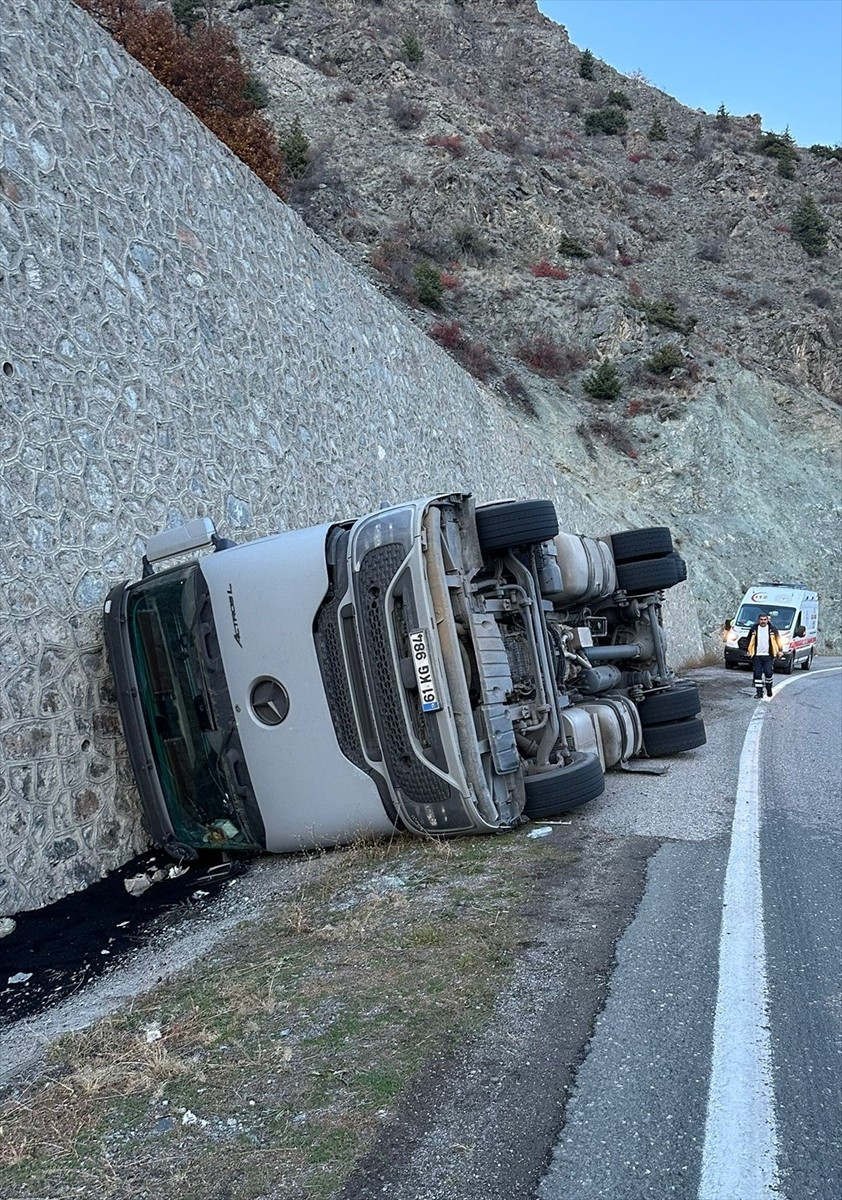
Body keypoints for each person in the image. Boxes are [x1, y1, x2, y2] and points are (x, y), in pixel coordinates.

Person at [745, 613, 783, 699]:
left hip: (768, 655)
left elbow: (778, 640)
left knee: (768, 673)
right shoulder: (754, 629)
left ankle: (769, 689)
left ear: (767, 620)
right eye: (761, 619)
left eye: (764, 620)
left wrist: (780, 650)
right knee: (757, 674)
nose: (763, 621)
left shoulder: (772, 629)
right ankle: (759, 692)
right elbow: (748, 640)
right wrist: (748, 650)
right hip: (757, 656)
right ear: (759, 620)